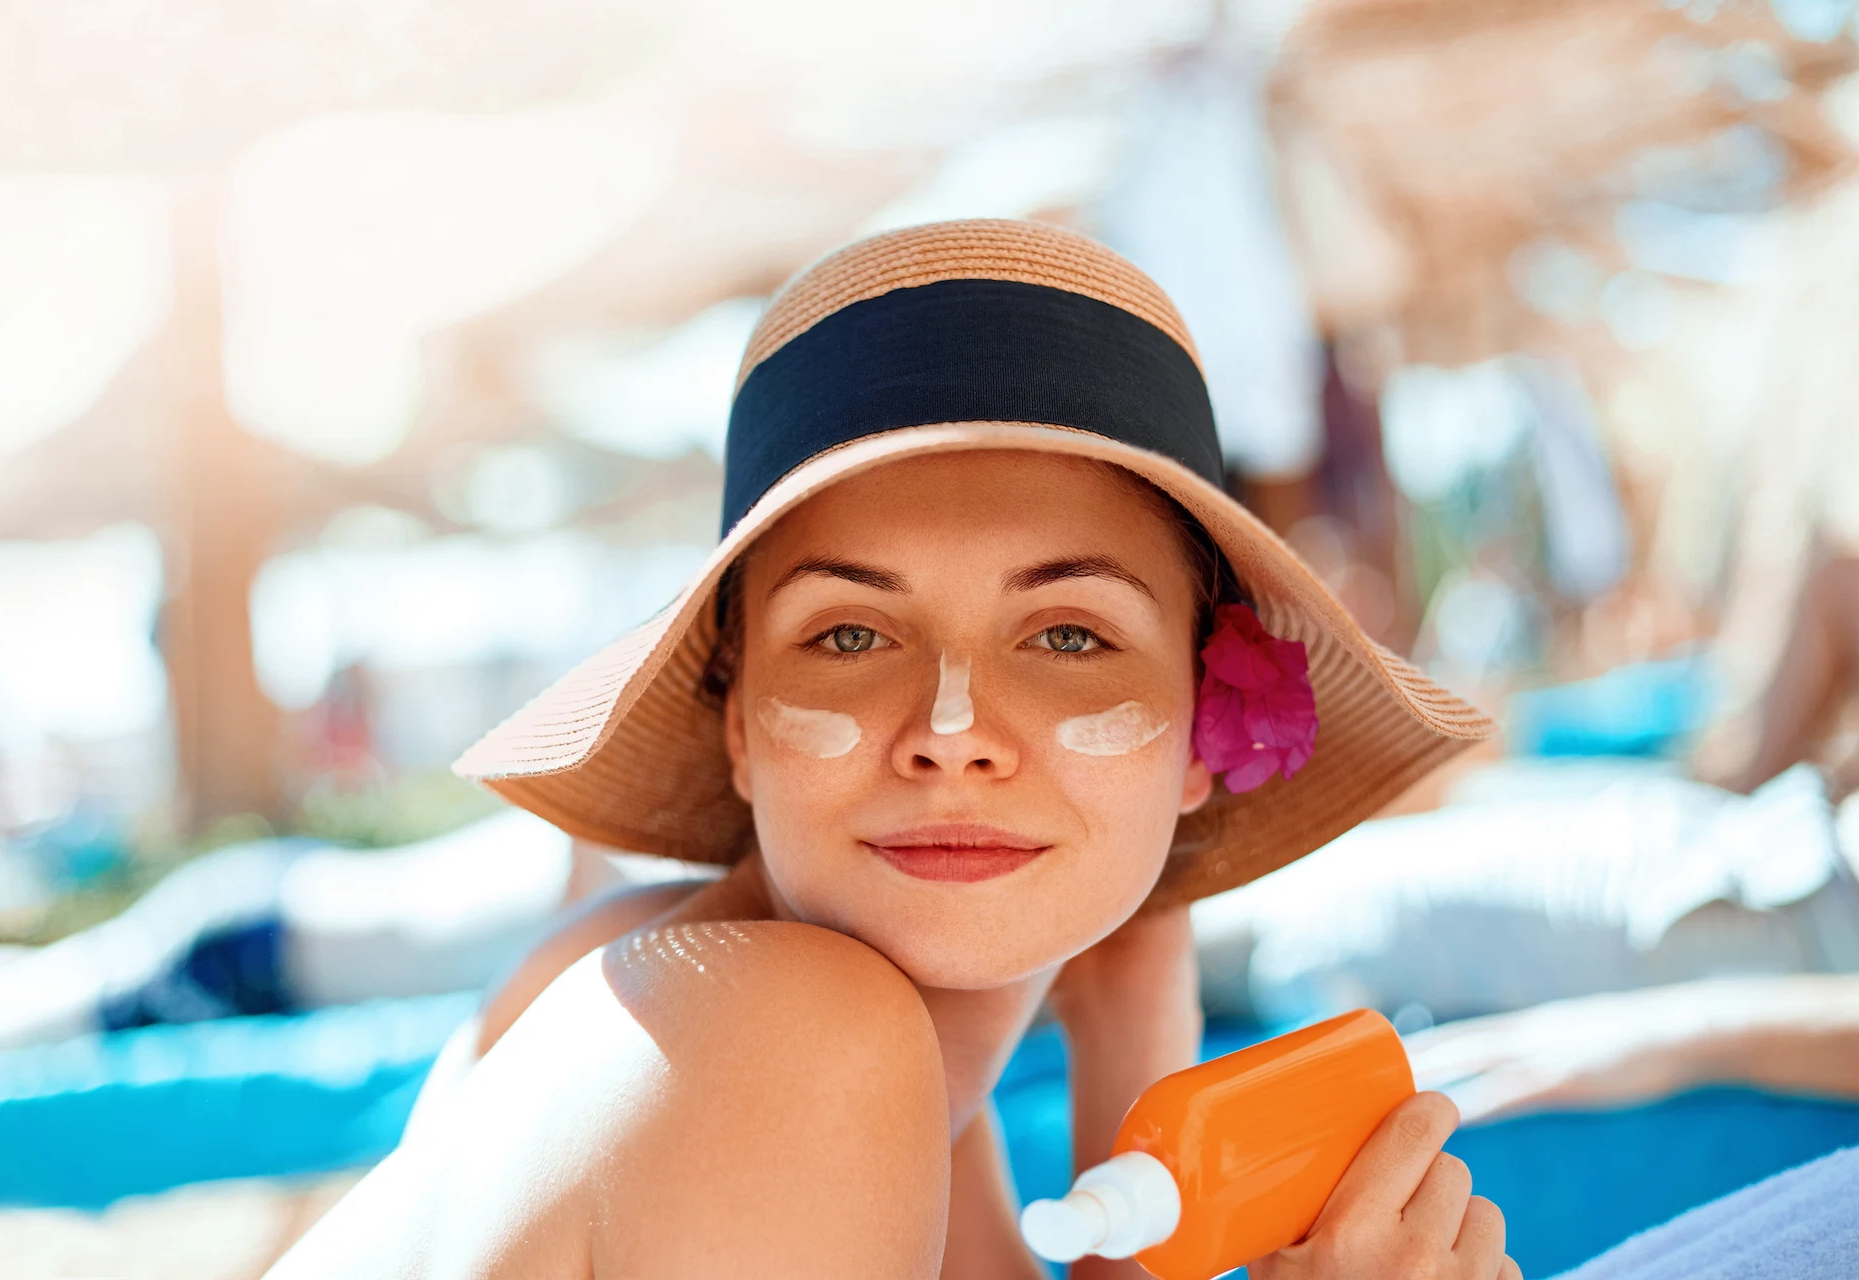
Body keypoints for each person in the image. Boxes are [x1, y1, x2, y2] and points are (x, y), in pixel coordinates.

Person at [267, 220, 1511, 1279]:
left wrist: (1133, 1073)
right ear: (737, 721)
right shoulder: (790, 1035)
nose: (953, 732)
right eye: (852, 631)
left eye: (1068, 634)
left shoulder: (779, 1013)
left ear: (1201, 729)